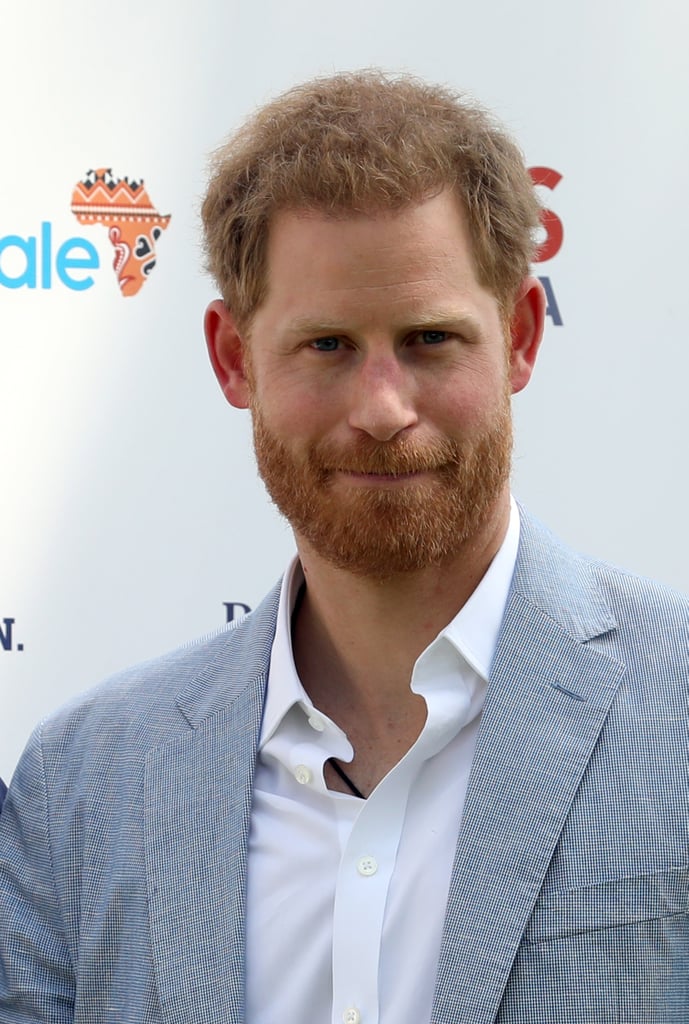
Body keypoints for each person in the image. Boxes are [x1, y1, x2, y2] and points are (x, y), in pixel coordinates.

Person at [0, 71, 686, 1024]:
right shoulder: (81, 785)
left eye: (429, 339)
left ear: (520, 336)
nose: (381, 409)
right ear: (234, 360)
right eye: (325, 345)